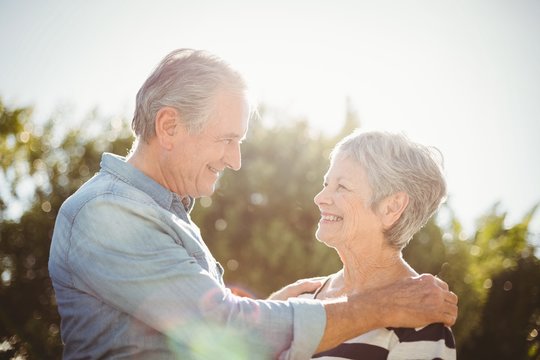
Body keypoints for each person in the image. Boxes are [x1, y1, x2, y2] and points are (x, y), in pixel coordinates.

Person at [48, 49, 458, 359]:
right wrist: (380, 306)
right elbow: (221, 327)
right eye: (227, 139)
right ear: (169, 126)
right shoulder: (109, 215)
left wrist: (269, 311)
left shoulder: (167, 216)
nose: (235, 160)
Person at [299, 130, 456, 359]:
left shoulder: (422, 319)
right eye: (326, 183)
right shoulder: (302, 298)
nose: (320, 197)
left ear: (391, 207)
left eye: (341, 186)